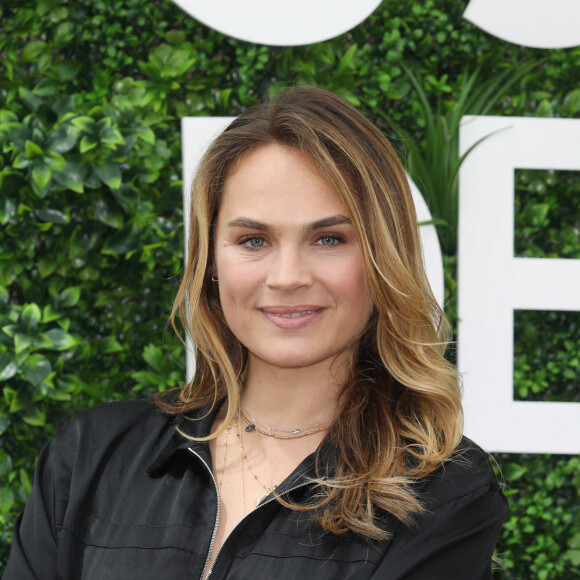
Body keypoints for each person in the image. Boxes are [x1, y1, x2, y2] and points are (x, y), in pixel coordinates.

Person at [4, 87, 507, 579]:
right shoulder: (92, 455)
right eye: (253, 239)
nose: (287, 276)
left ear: (382, 258)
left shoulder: (443, 494)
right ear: (211, 261)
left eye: (329, 238)